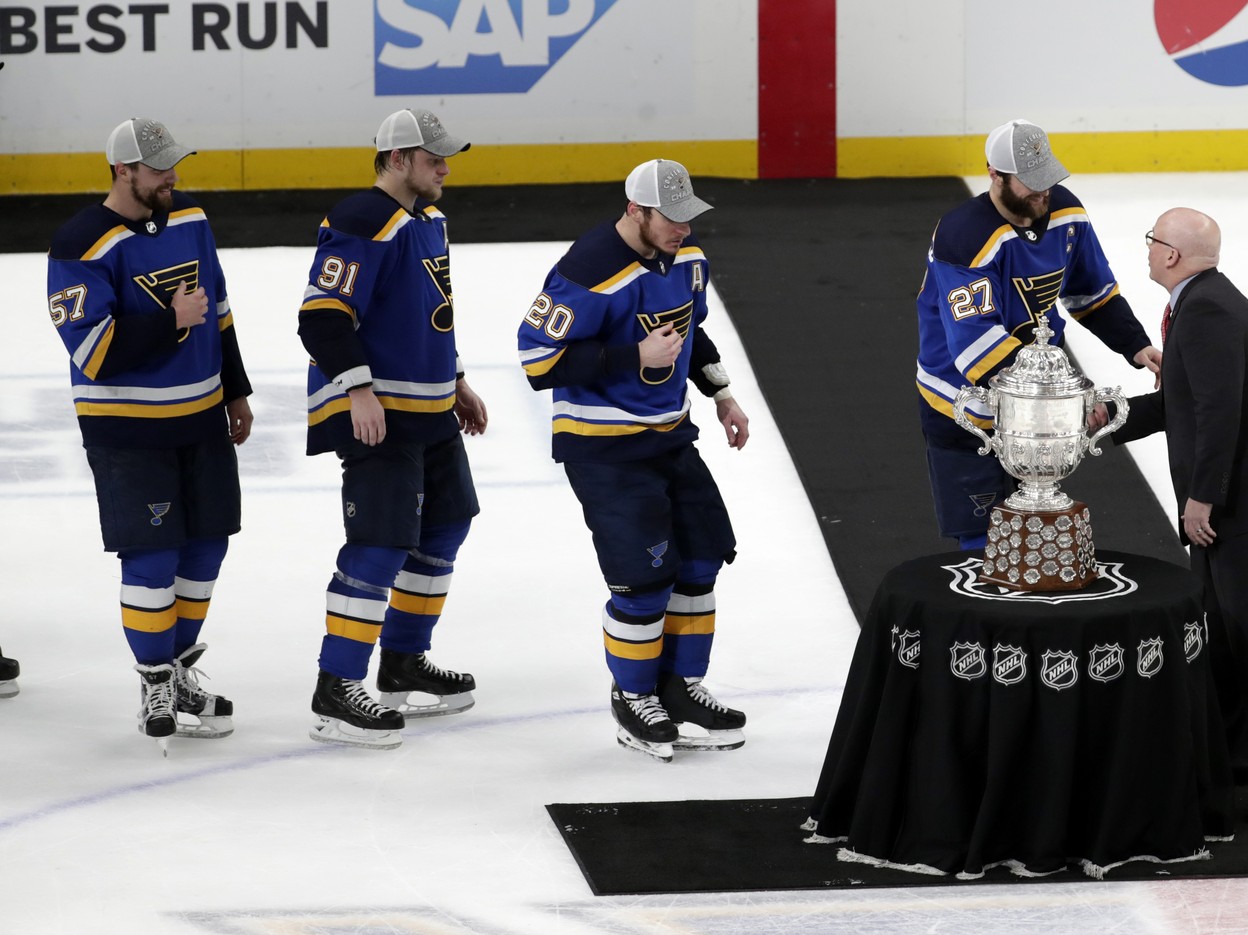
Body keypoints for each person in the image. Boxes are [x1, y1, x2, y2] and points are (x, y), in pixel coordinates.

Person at [518, 159, 750, 763]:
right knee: (643, 580)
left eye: (688, 216)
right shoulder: (587, 271)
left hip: (670, 437)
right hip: (603, 450)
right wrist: (632, 355)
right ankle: (634, 695)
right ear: (634, 211)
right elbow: (538, 361)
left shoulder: (688, 258)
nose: (683, 229)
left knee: (701, 559)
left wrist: (721, 392)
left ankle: (680, 688)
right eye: (670, 219)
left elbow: (691, 330)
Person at [1095, 207, 1248, 822]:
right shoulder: (1198, 304)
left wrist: (1203, 497)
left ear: (1171, 255)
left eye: (1151, 242)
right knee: (1218, 636)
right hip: (1239, 501)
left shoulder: (1209, 310)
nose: (1145, 251)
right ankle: (1232, 758)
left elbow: (1222, 412)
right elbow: (1182, 402)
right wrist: (1108, 421)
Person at [46, 117, 254, 753]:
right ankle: (155, 680)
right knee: (153, 559)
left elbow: (216, 307)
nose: (173, 175)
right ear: (122, 170)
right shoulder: (79, 244)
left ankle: (180, 671)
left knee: (205, 551)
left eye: (173, 165)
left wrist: (237, 388)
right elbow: (94, 352)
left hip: (201, 417)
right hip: (127, 431)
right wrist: (170, 320)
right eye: (159, 167)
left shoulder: (189, 217)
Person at [297, 109, 488, 750]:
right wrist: (358, 390)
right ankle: (337, 687)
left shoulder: (428, 221)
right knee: (379, 544)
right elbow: (322, 317)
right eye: (434, 157)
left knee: (444, 525)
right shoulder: (361, 219)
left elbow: (428, 312)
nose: (446, 167)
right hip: (377, 413)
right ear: (398, 158)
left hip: (429, 407)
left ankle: (402, 660)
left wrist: (455, 379)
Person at [915, 119, 1162, 549]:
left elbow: (1092, 293)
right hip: (964, 404)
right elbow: (976, 348)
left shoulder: (1065, 212)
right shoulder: (964, 237)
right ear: (994, 174)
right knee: (982, 538)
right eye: (1030, 183)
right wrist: (1060, 400)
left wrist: (1137, 347)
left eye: (1047, 179)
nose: (1043, 192)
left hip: (1039, 394)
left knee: (1039, 521)